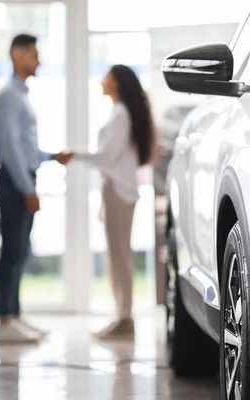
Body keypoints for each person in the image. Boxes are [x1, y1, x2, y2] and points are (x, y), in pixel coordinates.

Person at [61, 65, 157, 340]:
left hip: (119, 192)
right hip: (116, 190)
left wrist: (74, 156)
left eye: (106, 77)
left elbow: (105, 158)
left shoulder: (121, 115)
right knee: (116, 255)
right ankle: (122, 314)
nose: (102, 81)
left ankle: (125, 317)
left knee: (119, 256)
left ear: (116, 83)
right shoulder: (120, 113)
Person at [0, 33, 70, 343]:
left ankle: (14, 315)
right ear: (17, 54)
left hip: (21, 178)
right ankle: (5, 321)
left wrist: (51, 156)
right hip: (14, 182)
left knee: (20, 251)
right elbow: (10, 151)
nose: (38, 61)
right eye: (34, 55)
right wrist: (28, 190)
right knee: (12, 251)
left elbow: (24, 147)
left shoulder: (20, 95)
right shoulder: (8, 96)